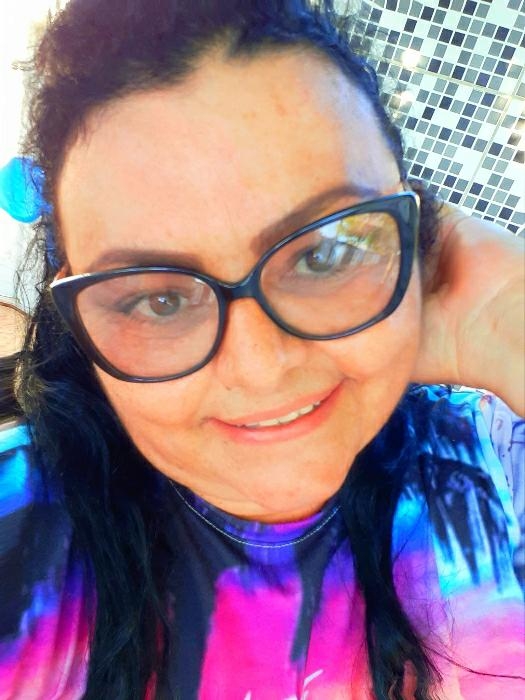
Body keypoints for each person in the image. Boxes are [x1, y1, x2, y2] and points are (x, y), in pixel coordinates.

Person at [0, 1, 523, 698]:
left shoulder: (495, 457)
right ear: (80, 317)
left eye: (323, 253)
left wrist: (509, 323)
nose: (260, 368)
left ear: (414, 232)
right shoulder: (17, 528)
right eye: (158, 299)